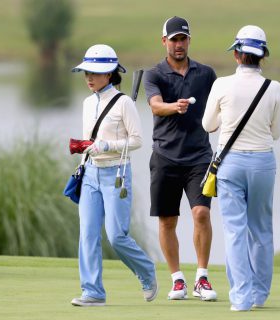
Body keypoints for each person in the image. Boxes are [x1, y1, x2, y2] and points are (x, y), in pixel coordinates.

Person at [202, 25, 280, 311]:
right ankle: (260, 294)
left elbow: (207, 125)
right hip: (263, 162)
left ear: (237, 54)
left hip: (230, 163)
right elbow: (276, 132)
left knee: (235, 231)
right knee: (261, 230)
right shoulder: (274, 87)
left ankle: (241, 297)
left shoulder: (221, 85)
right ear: (262, 56)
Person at [70, 44, 158, 307]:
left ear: (109, 74)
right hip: (90, 174)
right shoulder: (87, 103)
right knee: (87, 234)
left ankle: (146, 272)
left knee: (117, 236)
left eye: (95, 73)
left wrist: (109, 145)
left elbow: (137, 140)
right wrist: (86, 150)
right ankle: (93, 291)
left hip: (116, 174)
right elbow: (91, 138)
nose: (89, 78)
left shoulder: (124, 103)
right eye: (87, 73)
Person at [143, 16, 217, 301]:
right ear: (164, 42)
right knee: (167, 220)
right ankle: (177, 279)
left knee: (201, 213)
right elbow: (156, 106)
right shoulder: (154, 74)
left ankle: (202, 277)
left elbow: (220, 106)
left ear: (189, 41)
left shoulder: (206, 73)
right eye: (173, 39)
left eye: (182, 39)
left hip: (199, 156)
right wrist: (175, 107)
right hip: (165, 156)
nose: (178, 44)